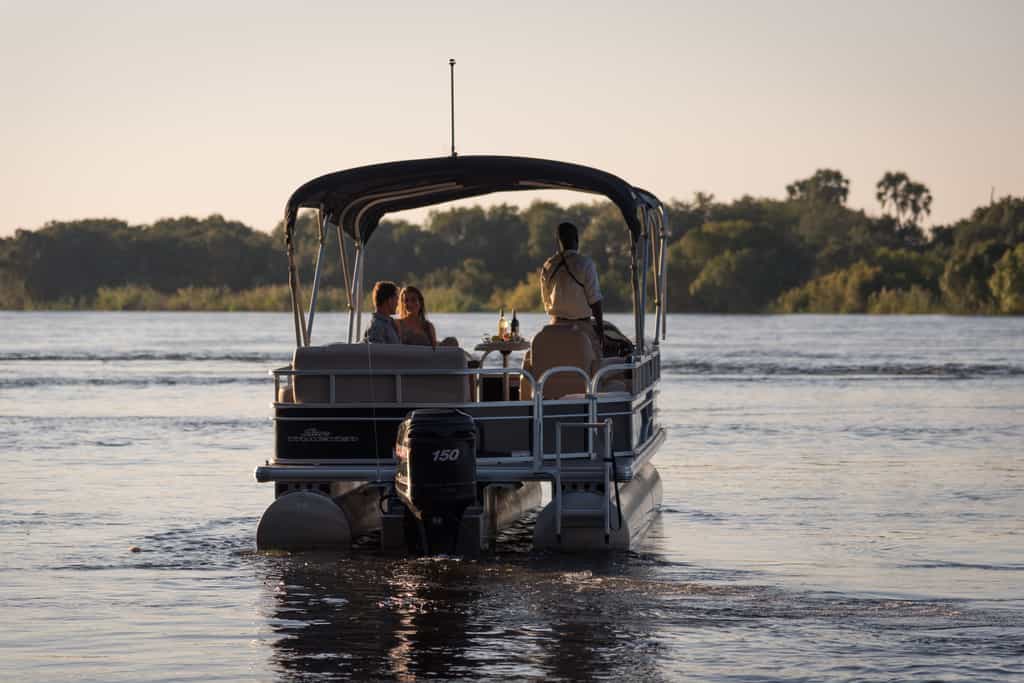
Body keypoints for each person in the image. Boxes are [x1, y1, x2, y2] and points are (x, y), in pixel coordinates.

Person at [540, 221, 604, 357]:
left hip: (554, 328)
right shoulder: (586, 264)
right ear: (577, 240)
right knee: (599, 357)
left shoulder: (548, 265)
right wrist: (600, 331)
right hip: (582, 330)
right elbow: (595, 301)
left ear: (558, 241)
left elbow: (546, 303)